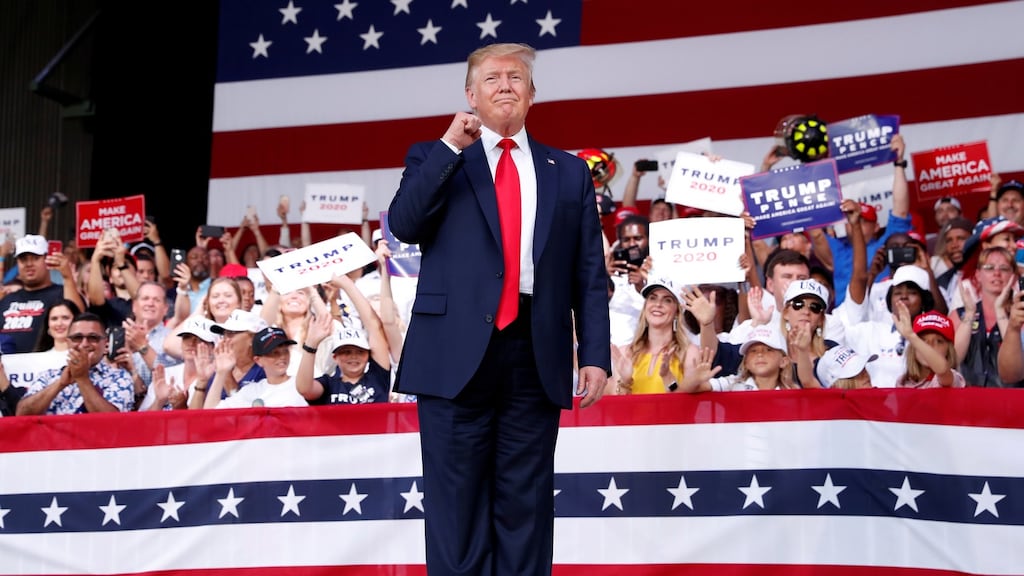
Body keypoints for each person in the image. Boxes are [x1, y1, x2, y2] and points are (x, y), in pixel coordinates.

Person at [386, 42, 610, 576]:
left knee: (527, 502)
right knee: (455, 503)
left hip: (535, 351)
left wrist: (596, 354)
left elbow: (588, 272)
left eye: (516, 77)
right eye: (492, 78)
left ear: (532, 94)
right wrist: (448, 145)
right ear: (470, 94)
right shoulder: (434, 156)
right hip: (453, 354)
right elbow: (405, 224)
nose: (505, 84)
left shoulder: (569, 170)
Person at [16, 312, 135, 415]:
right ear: (68, 343)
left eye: (93, 338)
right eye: (77, 337)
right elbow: (21, 413)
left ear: (106, 344)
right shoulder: (48, 377)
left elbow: (112, 422)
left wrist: (82, 379)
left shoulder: (119, 378)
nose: (84, 344)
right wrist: (60, 384)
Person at [0, 235, 85, 353]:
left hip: (50, 368)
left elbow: (80, 320)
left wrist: (67, 277)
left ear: (47, 258)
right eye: (23, 259)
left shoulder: (61, 293)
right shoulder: (6, 300)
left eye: (35, 258)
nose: (29, 264)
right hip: (7, 369)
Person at [952, 247, 1021, 387]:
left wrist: (1000, 310)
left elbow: (1017, 367)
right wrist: (970, 315)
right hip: (969, 401)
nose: (997, 273)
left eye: (1004, 268)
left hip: (1011, 402)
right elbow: (952, 362)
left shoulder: (1020, 314)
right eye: (989, 268)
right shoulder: (959, 315)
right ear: (978, 275)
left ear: (1013, 277)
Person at [612, 278, 695, 394]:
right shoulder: (625, 353)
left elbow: (690, 405)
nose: (658, 304)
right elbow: (615, 407)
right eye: (652, 298)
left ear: (677, 312)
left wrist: (668, 378)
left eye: (667, 300)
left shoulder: (689, 352)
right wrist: (626, 381)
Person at [215, 326, 306, 408]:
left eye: (285, 351)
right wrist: (221, 373)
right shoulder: (252, 391)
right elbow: (211, 412)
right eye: (274, 353)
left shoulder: (303, 386)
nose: (282, 356)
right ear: (258, 360)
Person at [684, 324, 792, 392]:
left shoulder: (792, 391)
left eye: (768, 350)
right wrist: (695, 380)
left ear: (783, 361)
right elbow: (691, 389)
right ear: (745, 362)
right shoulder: (732, 384)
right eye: (753, 351)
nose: (760, 354)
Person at [894, 308, 965, 388]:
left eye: (939, 341)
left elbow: (942, 370)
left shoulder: (951, 378)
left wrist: (911, 336)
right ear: (913, 348)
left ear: (949, 350)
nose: (929, 346)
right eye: (923, 340)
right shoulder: (902, 381)